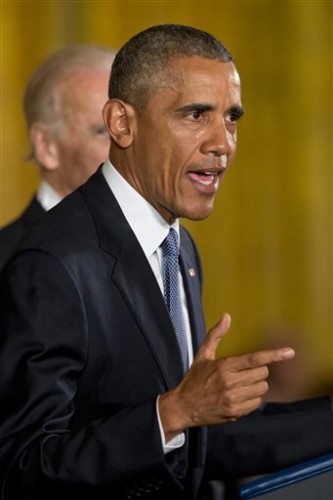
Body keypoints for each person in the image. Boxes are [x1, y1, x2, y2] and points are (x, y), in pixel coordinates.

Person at [0, 24, 332, 500]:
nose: (223, 143)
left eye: (231, 118)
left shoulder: (178, 247)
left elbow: (196, 445)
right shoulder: (52, 262)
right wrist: (171, 413)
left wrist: (184, 412)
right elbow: (20, 470)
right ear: (122, 123)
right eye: (196, 114)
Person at [0, 44, 116, 270]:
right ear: (46, 146)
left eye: (131, 129)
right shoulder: (8, 263)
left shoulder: (166, 249)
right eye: (102, 132)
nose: (128, 147)